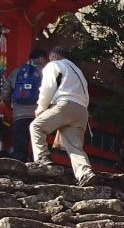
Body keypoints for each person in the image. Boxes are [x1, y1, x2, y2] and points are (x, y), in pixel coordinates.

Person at [30, 47, 95, 187]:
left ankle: (42, 157)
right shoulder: (78, 71)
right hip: (82, 110)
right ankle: (85, 173)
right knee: (75, 146)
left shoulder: (54, 65)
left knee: (36, 126)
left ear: (56, 55)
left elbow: (48, 87)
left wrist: (41, 107)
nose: (49, 59)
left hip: (66, 104)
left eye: (51, 56)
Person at [3, 49, 48, 161]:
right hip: (38, 114)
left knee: (19, 144)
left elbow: (5, 93)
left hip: (19, 114)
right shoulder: (45, 72)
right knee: (37, 144)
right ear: (42, 59)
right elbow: (50, 91)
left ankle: (18, 170)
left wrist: (10, 106)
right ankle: (37, 168)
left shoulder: (17, 72)